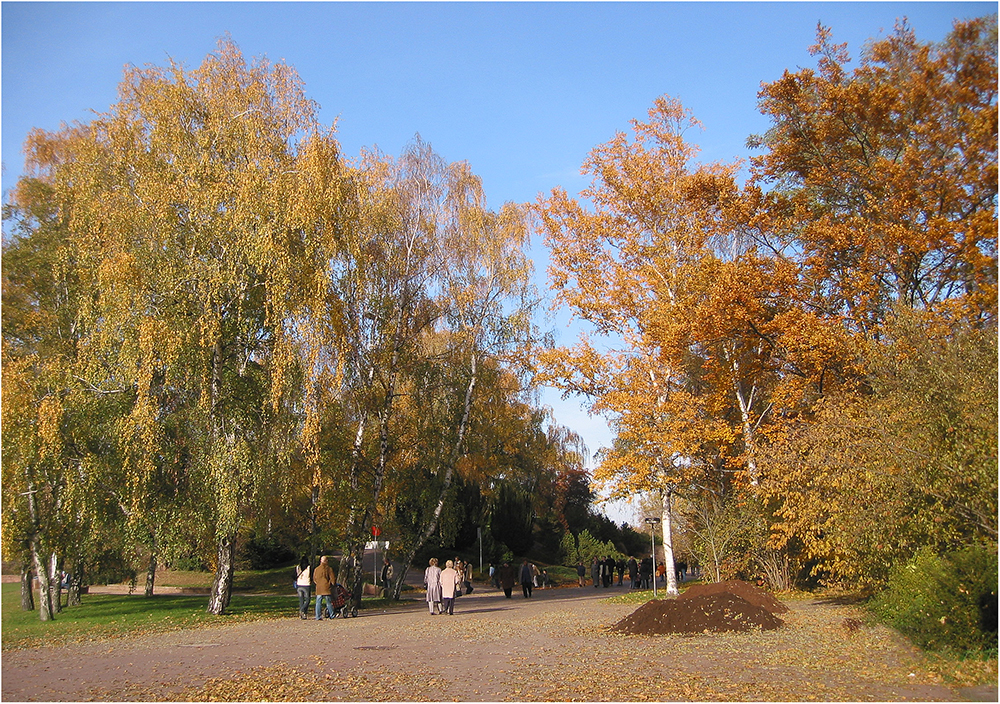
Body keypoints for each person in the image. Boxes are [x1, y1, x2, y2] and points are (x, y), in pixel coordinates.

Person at [313, 555, 336, 620]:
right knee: (328, 602)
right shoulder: (329, 569)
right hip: (326, 587)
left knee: (318, 603)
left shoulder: (316, 569)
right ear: (326, 561)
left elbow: (314, 579)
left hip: (319, 588)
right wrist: (333, 584)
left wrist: (318, 584)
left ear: (321, 561)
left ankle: (318, 616)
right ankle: (332, 615)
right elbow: (332, 578)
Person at [295, 556, 312, 620]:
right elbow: (311, 575)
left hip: (299, 584)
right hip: (306, 584)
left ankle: (303, 614)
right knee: (307, 600)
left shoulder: (298, 567)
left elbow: (294, 575)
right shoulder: (309, 568)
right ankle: (303, 610)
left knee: (301, 600)